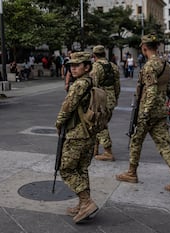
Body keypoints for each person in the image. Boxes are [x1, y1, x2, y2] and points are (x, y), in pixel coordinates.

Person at [116, 33, 170, 192]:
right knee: (163, 144)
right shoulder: (165, 64)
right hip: (161, 109)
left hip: (147, 110)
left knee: (136, 140)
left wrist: (145, 112)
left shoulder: (149, 66)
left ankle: (131, 172)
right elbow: (168, 87)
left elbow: (152, 90)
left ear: (144, 48)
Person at [55, 52, 99, 223]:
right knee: (81, 169)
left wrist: (59, 123)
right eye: (70, 66)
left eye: (77, 65)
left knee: (66, 169)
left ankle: (87, 202)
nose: (72, 68)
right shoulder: (91, 81)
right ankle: (82, 204)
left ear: (86, 67)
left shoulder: (79, 84)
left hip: (77, 134)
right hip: (89, 132)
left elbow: (67, 106)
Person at [91, 45, 120, 161]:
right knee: (99, 123)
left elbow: (94, 85)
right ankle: (95, 148)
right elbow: (117, 85)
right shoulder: (113, 66)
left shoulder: (96, 67)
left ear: (94, 56)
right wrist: (115, 97)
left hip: (100, 100)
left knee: (100, 125)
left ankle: (108, 151)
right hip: (111, 99)